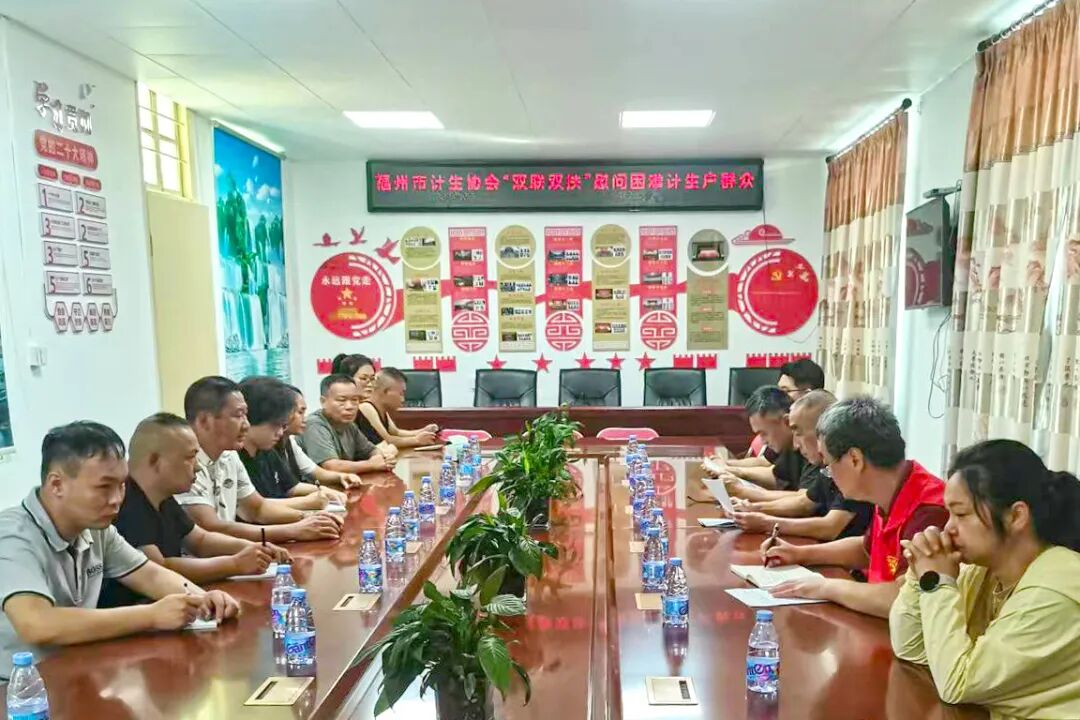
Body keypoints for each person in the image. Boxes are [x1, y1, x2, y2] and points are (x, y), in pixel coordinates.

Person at [0, 422, 240, 680]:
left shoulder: (97, 530)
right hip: (17, 690)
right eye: (104, 487)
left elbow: (151, 575)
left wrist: (204, 599)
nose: (116, 499)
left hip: (75, 672)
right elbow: (37, 624)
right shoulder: (12, 536)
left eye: (122, 485)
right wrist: (151, 616)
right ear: (56, 484)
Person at [890, 440, 1080, 719]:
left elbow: (957, 684)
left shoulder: (1056, 589)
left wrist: (937, 581)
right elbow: (910, 647)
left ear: (1016, 516)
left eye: (961, 514)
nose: (947, 528)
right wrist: (919, 572)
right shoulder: (982, 570)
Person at [763, 397, 947, 618]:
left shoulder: (928, 511)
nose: (829, 475)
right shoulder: (891, 490)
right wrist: (799, 554)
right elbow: (867, 549)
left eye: (828, 464)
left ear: (854, 459)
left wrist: (826, 587)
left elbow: (904, 599)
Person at [100, 413, 291, 608]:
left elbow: (200, 540)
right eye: (190, 457)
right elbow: (159, 567)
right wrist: (235, 564)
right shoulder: (125, 503)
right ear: (155, 461)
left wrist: (252, 548)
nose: (198, 467)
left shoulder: (163, 498)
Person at [176, 376, 343, 544]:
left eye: (246, 415)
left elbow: (257, 508)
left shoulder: (229, 455)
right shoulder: (184, 461)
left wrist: (311, 517)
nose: (246, 425)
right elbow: (210, 527)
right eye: (238, 415)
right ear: (204, 420)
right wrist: (294, 530)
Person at [728, 390, 873, 540]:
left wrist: (766, 523)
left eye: (799, 433)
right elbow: (805, 503)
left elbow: (831, 527)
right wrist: (753, 508)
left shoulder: (851, 463)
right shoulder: (827, 466)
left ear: (823, 430)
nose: (796, 445)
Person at [237, 377, 347, 508]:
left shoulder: (267, 450)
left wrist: (323, 491)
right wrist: (306, 504)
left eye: (283, 426)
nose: (280, 433)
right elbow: (255, 508)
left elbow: (290, 487)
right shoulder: (234, 457)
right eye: (275, 425)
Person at [712, 386, 810, 492]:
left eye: (764, 433)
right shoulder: (787, 446)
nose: (763, 441)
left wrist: (742, 491)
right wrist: (732, 470)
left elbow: (804, 498)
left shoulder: (811, 449)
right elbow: (777, 477)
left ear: (786, 422)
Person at [301, 374, 397, 475]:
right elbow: (331, 466)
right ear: (323, 401)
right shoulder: (314, 424)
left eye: (354, 400)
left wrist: (384, 458)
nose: (349, 406)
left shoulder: (349, 425)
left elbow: (371, 450)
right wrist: (372, 464)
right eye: (342, 400)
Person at [278, 385, 364, 489]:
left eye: (354, 399)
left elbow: (315, 472)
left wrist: (341, 477)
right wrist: (319, 492)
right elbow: (288, 490)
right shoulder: (268, 448)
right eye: (300, 412)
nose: (305, 419)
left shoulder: (289, 443)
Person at [356, 367, 440, 448]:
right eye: (401, 393)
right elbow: (387, 440)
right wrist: (416, 440)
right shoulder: (366, 407)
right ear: (386, 392)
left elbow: (396, 432)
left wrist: (423, 431)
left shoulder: (381, 409)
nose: (403, 399)